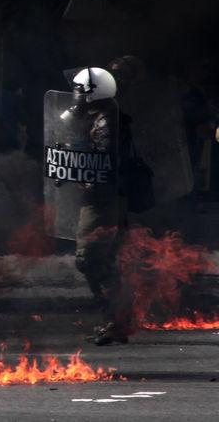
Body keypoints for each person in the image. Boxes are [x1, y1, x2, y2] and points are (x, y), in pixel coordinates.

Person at [67, 67, 133, 345]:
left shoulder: (106, 122)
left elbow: (101, 165)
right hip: (108, 197)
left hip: (102, 200)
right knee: (105, 260)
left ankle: (114, 320)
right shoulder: (104, 116)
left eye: (80, 91)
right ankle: (117, 319)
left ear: (94, 93)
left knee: (91, 259)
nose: (76, 97)